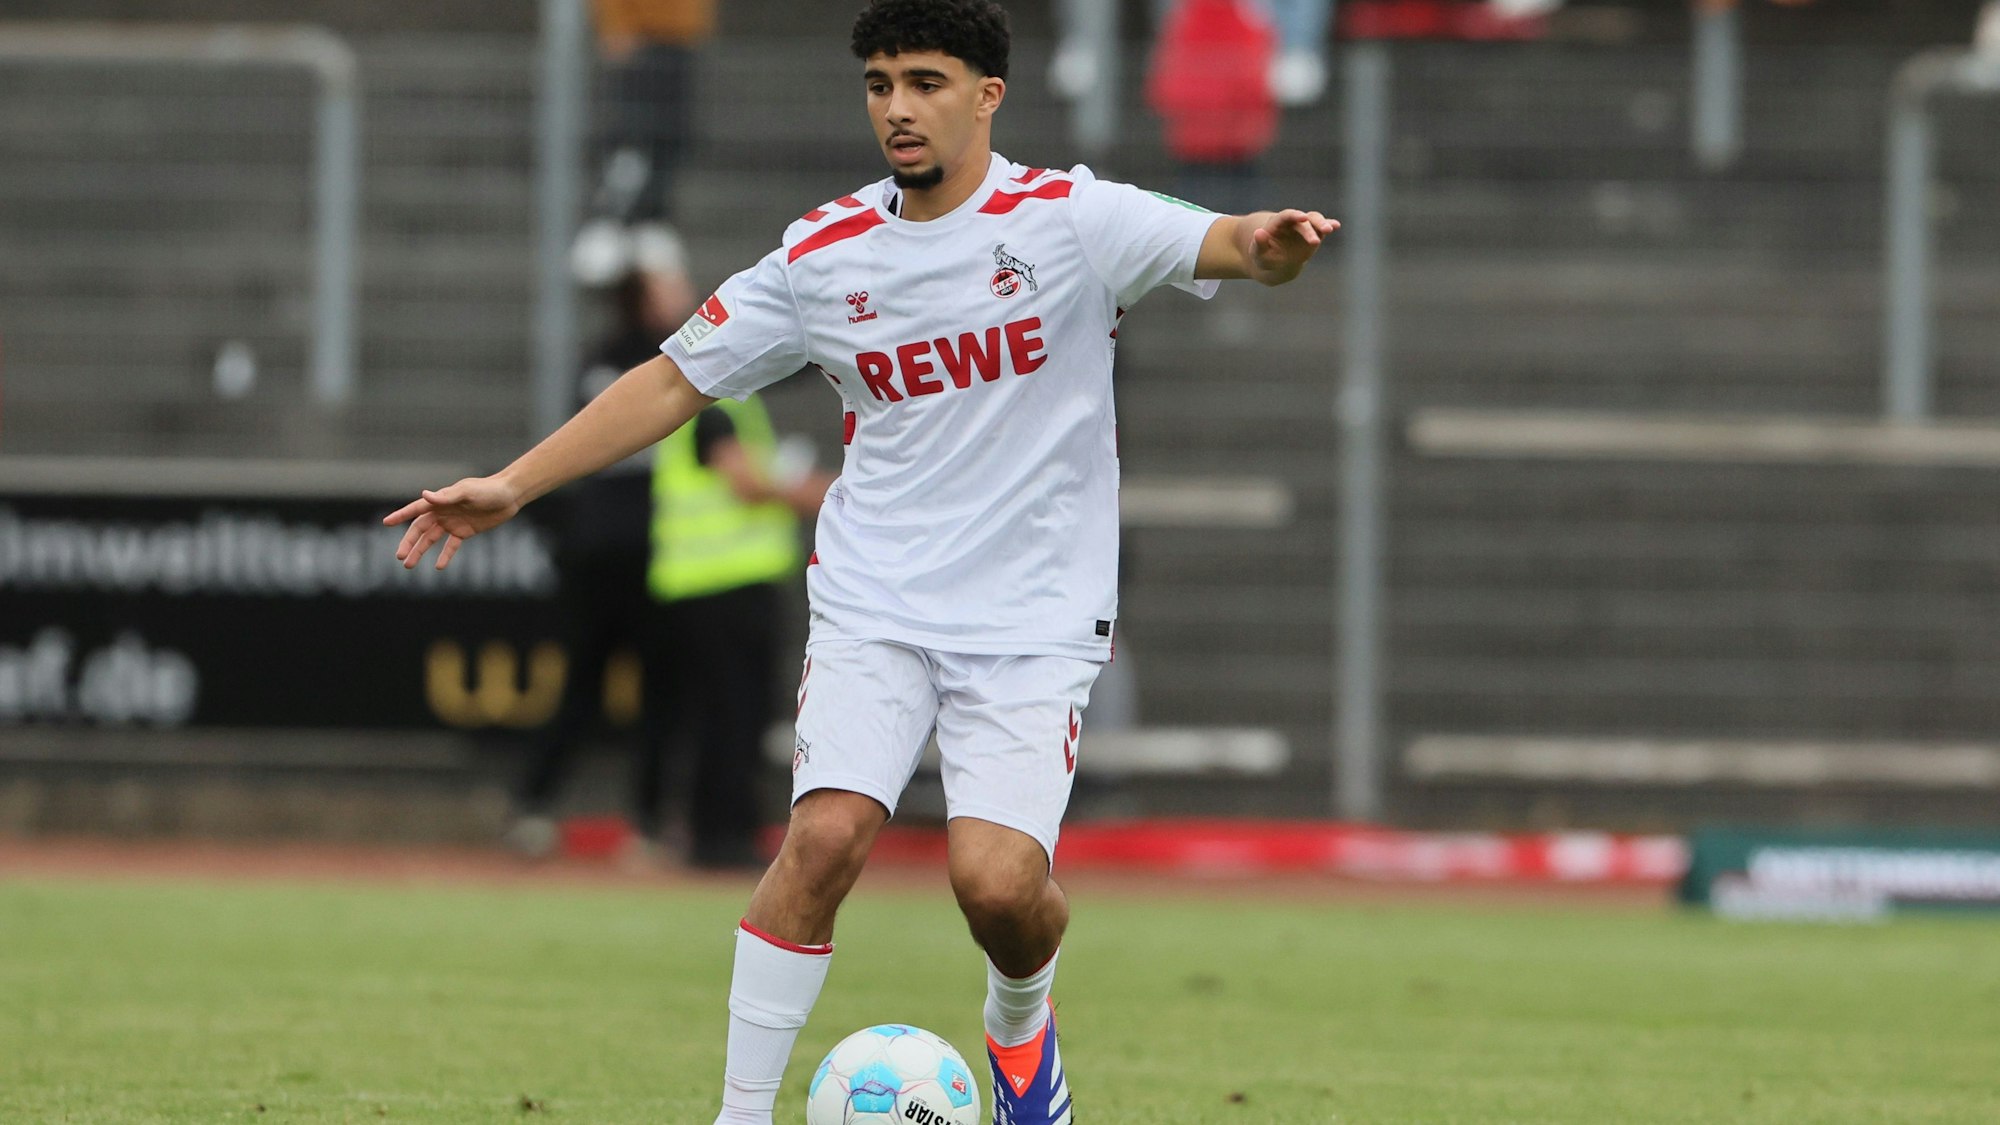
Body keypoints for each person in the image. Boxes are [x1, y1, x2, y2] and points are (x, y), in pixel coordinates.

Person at [384, 3, 1336, 1121]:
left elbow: (1230, 241)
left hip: (1031, 617)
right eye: (880, 84)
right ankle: (740, 1114)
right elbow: (675, 379)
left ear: (987, 95)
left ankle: (1020, 1025)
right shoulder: (822, 254)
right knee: (824, 836)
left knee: (997, 887)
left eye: (925, 82)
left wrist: (1271, 247)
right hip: (875, 600)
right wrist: (512, 483)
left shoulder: (1070, 218)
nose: (897, 107)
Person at [508, 229, 698, 862]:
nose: (683, 294)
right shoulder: (678, 362)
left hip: (594, 545)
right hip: (653, 548)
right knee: (658, 692)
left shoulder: (597, 358)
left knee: (582, 686)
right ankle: (648, 826)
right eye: (671, 284)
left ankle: (532, 807)